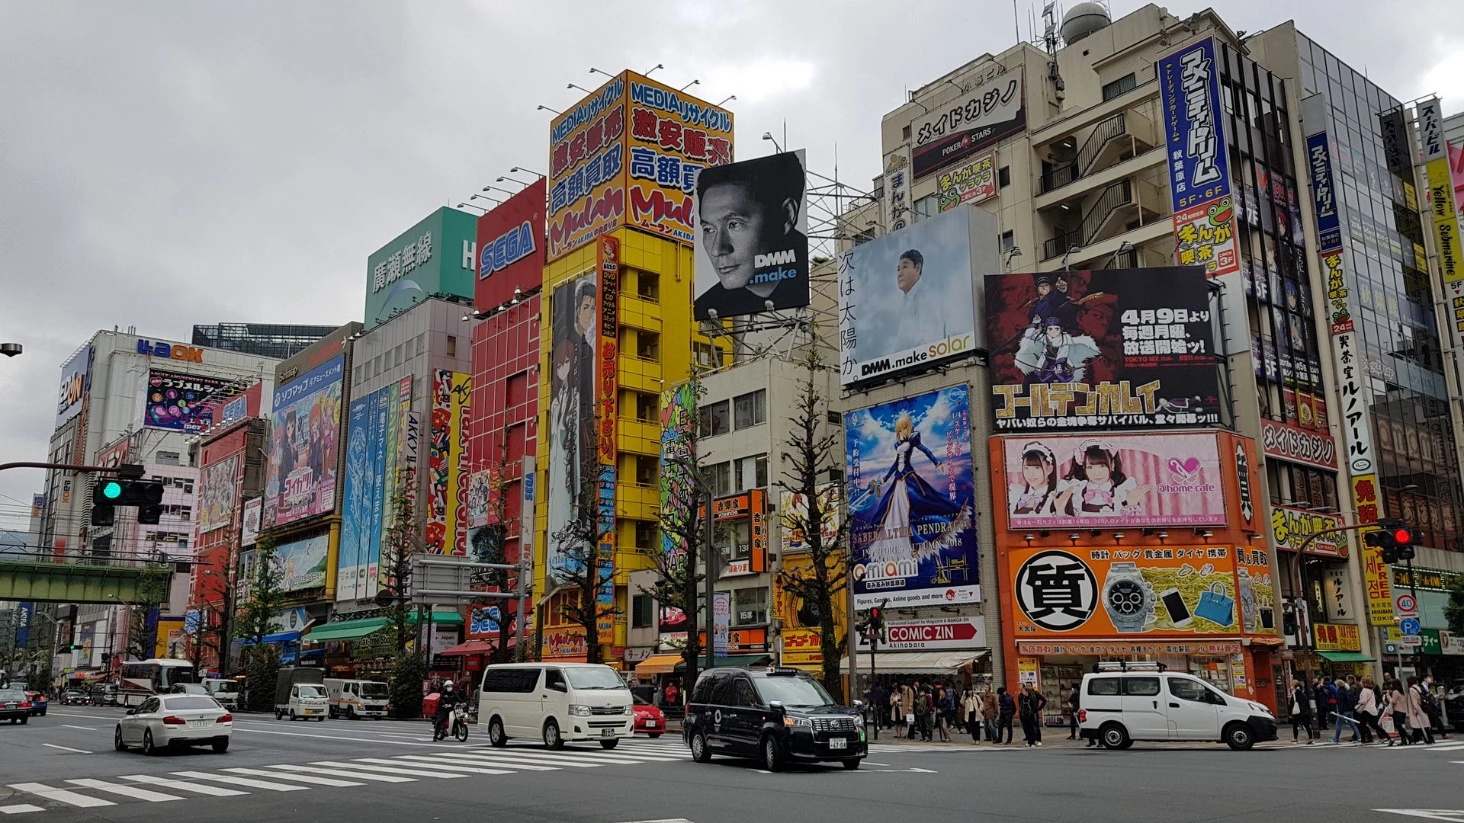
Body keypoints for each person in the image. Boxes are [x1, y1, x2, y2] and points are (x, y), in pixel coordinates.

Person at [694, 151, 808, 319]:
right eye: (709, 230)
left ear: (786, 216)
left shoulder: (813, 283)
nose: (717, 249)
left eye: (734, 224)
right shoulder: (708, 305)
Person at [862, 412, 970, 567]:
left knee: (917, 504)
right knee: (890, 509)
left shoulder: (913, 439)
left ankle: (913, 542)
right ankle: (895, 545)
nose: (902, 432)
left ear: (908, 428)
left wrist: (936, 463)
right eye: (899, 430)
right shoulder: (898, 445)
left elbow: (925, 450)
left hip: (908, 478)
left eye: (904, 429)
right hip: (898, 480)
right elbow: (895, 464)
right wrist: (884, 479)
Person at [892, 249, 953, 354]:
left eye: (905, 267)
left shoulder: (927, 298)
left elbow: (932, 344)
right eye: (898, 269)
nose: (899, 274)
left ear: (917, 268)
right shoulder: (907, 301)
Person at [1009, 441, 1061, 517]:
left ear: (1049, 469)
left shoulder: (1057, 497)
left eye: (1036, 468)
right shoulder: (1016, 495)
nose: (1030, 474)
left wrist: (1061, 511)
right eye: (1026, 468)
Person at [1331, 675, 1361, 744]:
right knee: (1352, 724)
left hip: (1344, 710)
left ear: (1338, 685)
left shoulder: (1340, 692)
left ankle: (1336, 738)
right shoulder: (1346, 690)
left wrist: (1340, 711)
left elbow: (1340, 703)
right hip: (1349, 710)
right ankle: (1359, 737)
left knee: (1338, 724)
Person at [1407, 676, 1435, 745]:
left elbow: (1414, 701)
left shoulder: (1411, 689)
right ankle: (1422, 738)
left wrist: (1415, 709)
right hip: (1423, 707)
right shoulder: (1419, 688)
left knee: (1418, 724)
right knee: (1423, 724)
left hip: (1417, 708)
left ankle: (1424, 738)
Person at [1356, 676, 1384, 745]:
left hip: (1366, 709)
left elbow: (1364, 701)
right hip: (1372, 708)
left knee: (1363, 725)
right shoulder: (1371, 690)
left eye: (1361, 681)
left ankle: (1363, 740)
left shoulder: (1365, 690)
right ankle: (1386, 736)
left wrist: (1359, 702)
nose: (1360, 683)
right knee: (1372, 725)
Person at [1290, 679, 1315, 744]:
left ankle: (1296, 738)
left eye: (1292, 685)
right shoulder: (1300, 693)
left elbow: (1293, 703)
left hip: (1299, 711)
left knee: (1297, 725)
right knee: (1305, 725)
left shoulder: (1297, 693)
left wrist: (1291, 712)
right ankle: (1310, 738)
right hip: (1303, 711)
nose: (1291, 686)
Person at [1387, 679, 1412, 745]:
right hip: (1403, 710)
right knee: (1400, 725)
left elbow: (1393, 701)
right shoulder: (1403, 692)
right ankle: (1404, 739)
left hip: (1397, 710)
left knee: (1398, 725)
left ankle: (1407, 736)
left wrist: (1388, 696)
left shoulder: (1395, 692)